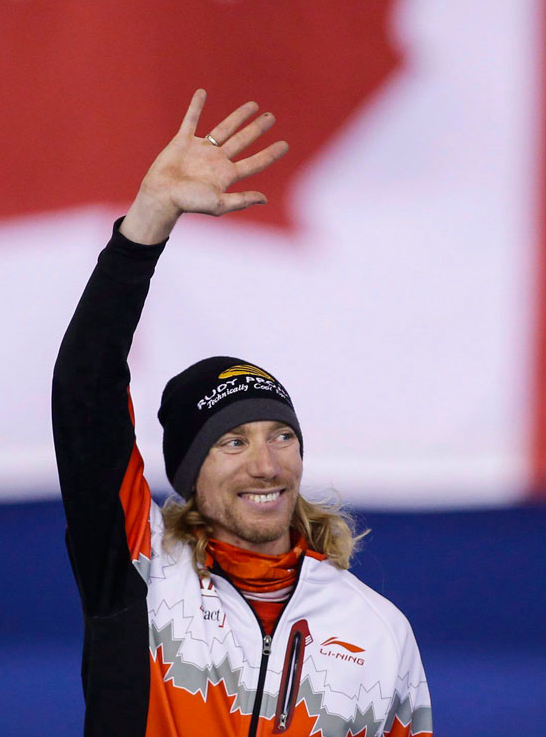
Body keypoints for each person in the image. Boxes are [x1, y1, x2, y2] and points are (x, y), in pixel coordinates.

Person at [52, 90, 433, 737]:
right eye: (232, 442)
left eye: (281, 434)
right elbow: (85, 398)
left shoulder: (377, 630)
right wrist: (146, 224)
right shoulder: (142, 576)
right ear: (190, 475)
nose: (266, 463)